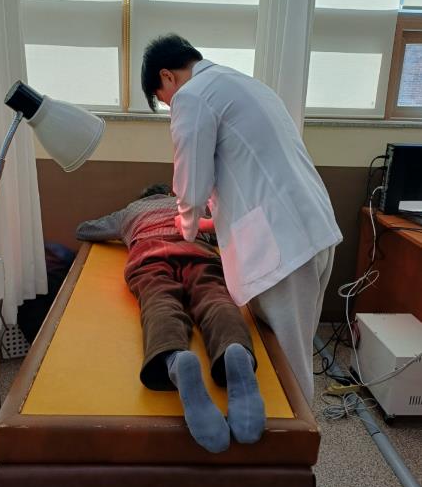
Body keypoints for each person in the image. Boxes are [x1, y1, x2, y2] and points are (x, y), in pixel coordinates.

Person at [141, 34, 343, 404]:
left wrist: (186, 226)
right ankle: (287, 427)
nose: (170, 107)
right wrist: (209, 223)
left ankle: (295, 435)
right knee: (289, 347)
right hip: (313, 228)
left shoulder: (192, 95)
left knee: (288, 362)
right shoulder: (247, 85)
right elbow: (246, 171)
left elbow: (191, 183)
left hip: (283, 245)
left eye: (164, 99)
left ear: (167, 76)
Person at [76, 184, 265, 454]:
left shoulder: (130, 211)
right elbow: (227, 224)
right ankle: (235, 350)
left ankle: (175, 358)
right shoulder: (190, 205)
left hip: (148, 256)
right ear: (169, 193)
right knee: (215, 300)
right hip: (197, 253)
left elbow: (85, 230)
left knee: (160, 305)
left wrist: (126, 227)